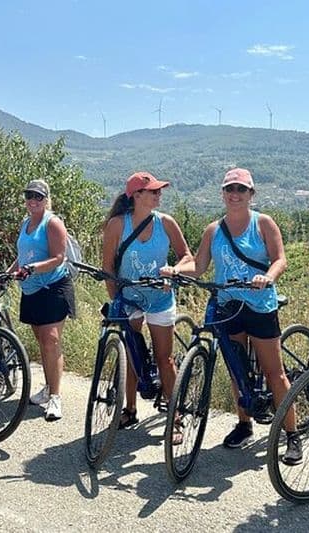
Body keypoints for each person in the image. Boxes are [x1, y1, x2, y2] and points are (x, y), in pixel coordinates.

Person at [171, 168, 299, 461]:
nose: (235, 194)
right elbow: (200, 266)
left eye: (241, 190)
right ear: (223, 193)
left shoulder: (263, 223)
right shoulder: (213, 230)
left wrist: (267, 276)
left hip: (259, 305)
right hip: (229, 305)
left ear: (251, 194)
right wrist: (176, 270)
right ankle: (244, 424)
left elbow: (280, 259)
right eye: (230, 189)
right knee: (236, 367)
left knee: (275, 373)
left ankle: (292, 434)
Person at [102, 171, 191, 443]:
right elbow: (108, 267)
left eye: (158, 190)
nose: (158, 194)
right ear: (136, 196)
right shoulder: (117, 225)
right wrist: (116, 299)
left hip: (160, 299)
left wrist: (174, 271)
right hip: (129, 299)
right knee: (131, 355)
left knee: (165, 359)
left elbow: (187, 256)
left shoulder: (167, 223)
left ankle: (174, 419)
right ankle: (129, 409)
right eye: (153, 191)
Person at [8, 179, 75, 422]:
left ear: (46, 199)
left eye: (38, 196)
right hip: (31, 289)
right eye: (29, 196)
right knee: (41, 340)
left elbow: (59, 257)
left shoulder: (52, 223)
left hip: (53, 286)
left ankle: (55, 397)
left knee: (51, 340)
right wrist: (8, 273)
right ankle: (48, 387)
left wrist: (33, 268)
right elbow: (22, 256)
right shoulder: (26, 223)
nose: (33, 200)